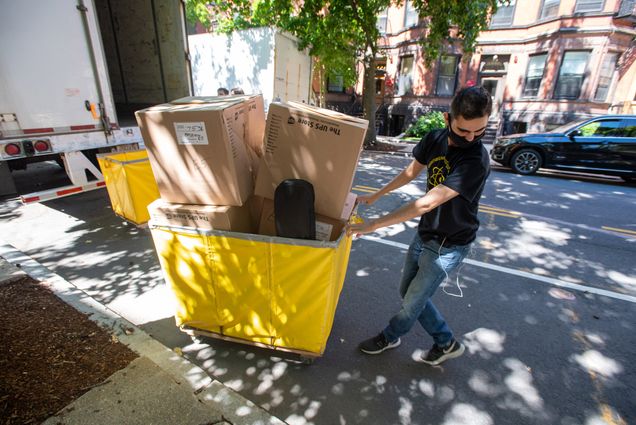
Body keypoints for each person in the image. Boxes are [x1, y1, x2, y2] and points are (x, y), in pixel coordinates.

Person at [346, 85, 492, 366]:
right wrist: (377, 195)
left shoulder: (476, 160)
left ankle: (390, 336)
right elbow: (410, 172)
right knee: (408, 292)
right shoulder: (434, 139)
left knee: (413, 300)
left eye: (480, 130)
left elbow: (427, 203)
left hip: (450, 244)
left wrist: (374, 224)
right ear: (449, 119)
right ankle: (446, 342)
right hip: (426, 233)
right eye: (464, 131)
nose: (472, 138)